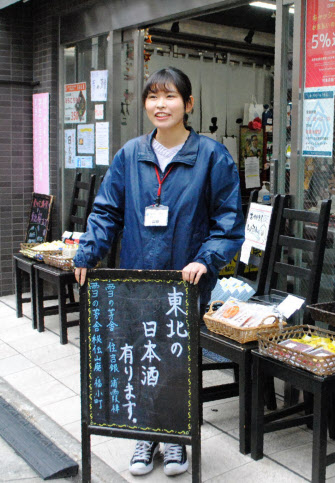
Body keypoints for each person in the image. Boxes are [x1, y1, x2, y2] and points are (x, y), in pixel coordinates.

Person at [73, 67, 245, 477]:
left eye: (170, 97)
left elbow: (228, 222)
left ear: (188, 105)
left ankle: (173, 439)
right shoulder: (130, 155)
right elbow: (106, 211)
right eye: (153, 97)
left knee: (176, 359)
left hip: (185, 283)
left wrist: (206, 259)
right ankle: (144, 435)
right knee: (138, 355)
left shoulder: (212, 156)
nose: (160, 105)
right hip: (136, 278)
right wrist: (87, 254)